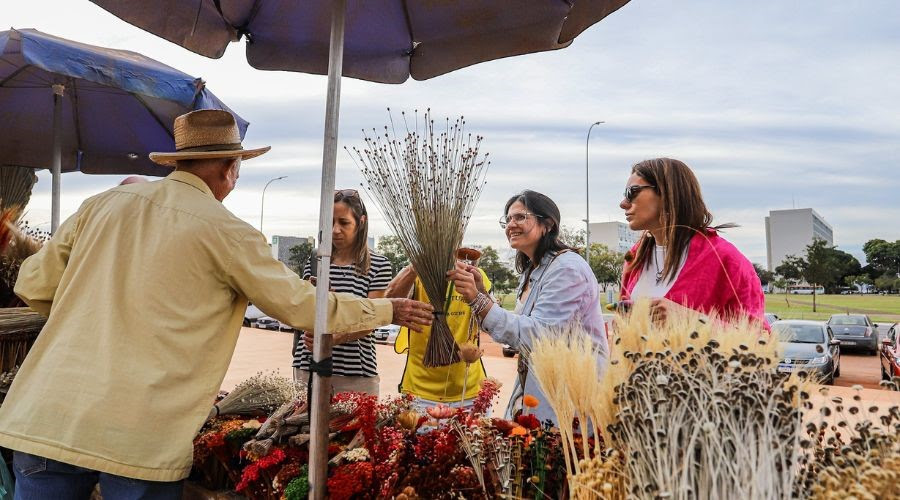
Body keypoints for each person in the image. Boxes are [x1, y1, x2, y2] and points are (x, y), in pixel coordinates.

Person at [0, 109, 432, 498]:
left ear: (178, 162)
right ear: (230, 168)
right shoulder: (230, 233)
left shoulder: (100, 205)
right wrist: (388, 309)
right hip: (138, 434)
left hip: (47, 416)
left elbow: (32, 285)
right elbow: (302, 307)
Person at [448, 191, 608, 425]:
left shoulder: (567, 269)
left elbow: (538, 335)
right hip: (541, 391)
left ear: (548, 224)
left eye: (520, 217)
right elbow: (521, 326)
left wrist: (477, 299)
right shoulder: (533, 271)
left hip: (573, 400)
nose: (511, 224)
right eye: (508, 219)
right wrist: (481, 293)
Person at [618, 157, 765, 326]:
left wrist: (689, 319)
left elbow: (759, 337)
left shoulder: (724, 259)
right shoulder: (635, 257)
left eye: (632, 192)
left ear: (667, 193)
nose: (623, 203)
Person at [293, 189, 393, 396]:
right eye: (330, 222)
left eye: (343, 222)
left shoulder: (378, 265)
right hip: (309, 366)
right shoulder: (316, 261)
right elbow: (302, 312)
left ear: (361, 221)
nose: (335, 230)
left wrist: (336, 337)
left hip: (355, 373)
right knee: (303, 427)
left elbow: (372, 320)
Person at [386, 249, 492, 411]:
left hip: (469, 392)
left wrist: (477, 290)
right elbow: (387, 304)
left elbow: (490, 320)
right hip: (419, 393)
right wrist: (415, 268)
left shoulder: (474, 275)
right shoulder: (415, 275)